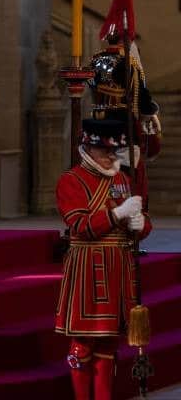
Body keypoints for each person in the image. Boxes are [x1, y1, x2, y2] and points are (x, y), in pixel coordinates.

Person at [55, 118, 151, 400]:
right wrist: (117, 214)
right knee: (84, 342)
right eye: (105, 152)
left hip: (119, 266)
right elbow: (80, 226)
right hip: (89, 267)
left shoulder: (122, 179)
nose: (112, 157)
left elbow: (142, 226)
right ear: (88, 149)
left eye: (114, 152)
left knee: (109, 344)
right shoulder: (70, 180)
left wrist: (139, 224)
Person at [87, 0, 161, 204]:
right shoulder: (129, 62)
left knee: (98, 173)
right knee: (126, 175)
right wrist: (151, 113)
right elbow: (141, 98)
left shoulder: (96, 59)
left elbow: (92, 85)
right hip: (122, 124)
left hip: (97, 122)